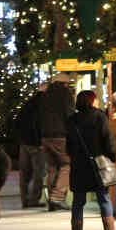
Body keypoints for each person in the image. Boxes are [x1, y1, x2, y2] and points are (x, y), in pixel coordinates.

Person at [66, 90, 116, 230]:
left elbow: (68, 145)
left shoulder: (72, 120)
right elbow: (108, 140)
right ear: (92, 101)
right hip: (98, 164)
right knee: (104, 199)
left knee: (78, 202)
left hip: (79, 165)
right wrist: (112, 157)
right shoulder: (100, 117)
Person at [37, 73, 75, 211]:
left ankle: (51, 200)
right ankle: (57, 197)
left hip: (45, 136)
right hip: (60, 136)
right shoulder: (65, 94)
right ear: (64, 83)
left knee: (52, 166)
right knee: (67, 165)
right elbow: (69, 114)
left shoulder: (45, 95)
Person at [15, 86, 45, 208]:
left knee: (24, 172)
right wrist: (39, 140)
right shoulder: (42, 106)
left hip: (24, 143)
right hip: (35, 143)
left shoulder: (27, 104)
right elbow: (38, 123)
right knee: (39, 172)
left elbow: (17, 121)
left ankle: (24, 199)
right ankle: (33, 199)